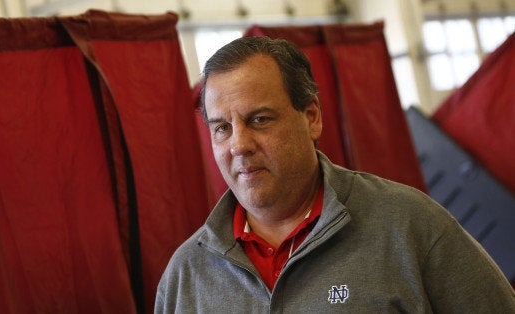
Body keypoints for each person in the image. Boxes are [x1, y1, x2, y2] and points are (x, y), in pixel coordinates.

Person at [154, 36, 515, 313]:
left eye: (259, 119)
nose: (239, 145)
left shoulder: (409, 226)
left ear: (311, 116)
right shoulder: (186, 275)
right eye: (222, 128)